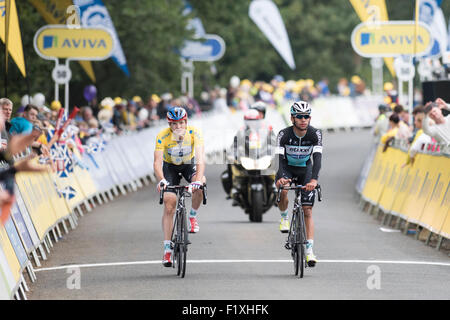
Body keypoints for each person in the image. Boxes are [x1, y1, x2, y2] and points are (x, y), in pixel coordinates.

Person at [153, 106, 206, 267]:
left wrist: (197, 181)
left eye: (181, 123)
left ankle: (192, 215)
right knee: (169, 202)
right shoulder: (162, 136)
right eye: (174, 124)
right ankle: (167, 249)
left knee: (200, 183)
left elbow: (200, 160)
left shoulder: (195, 133)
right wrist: (161, 180)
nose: (178, 127)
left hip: (188, 165)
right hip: (170, 168)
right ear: (169, 125)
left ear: (186, 122)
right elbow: (157, 163)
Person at [275, 101, 322, 267]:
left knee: (307, 210)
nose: (303, 120)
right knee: (284, 190)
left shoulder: (315, 134)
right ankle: (284, 217)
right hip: (286, 168)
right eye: (300, 116)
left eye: (306, 116)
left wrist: (314, 180)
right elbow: (279, 160)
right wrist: (281, 178)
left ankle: (309, 251)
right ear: (292, 118)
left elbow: (317, 159)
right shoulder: (283, 134)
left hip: (305, 169)